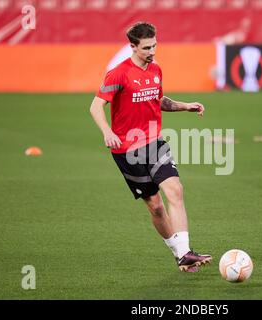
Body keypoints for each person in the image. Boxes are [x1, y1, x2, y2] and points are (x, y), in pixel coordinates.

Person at [89, 22, 212, 273]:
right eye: (146, 47)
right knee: (155, 206)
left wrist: (186, 106)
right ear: (132, 46)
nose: (152, 51)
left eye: (155, 45)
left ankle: (186, 250)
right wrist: (107, 131)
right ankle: (180, 255)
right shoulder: (118, 74)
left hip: (154, 142)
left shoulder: (156, 69)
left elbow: (158, 100)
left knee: (175, 190)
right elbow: (95, 106)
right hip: (126, 150)